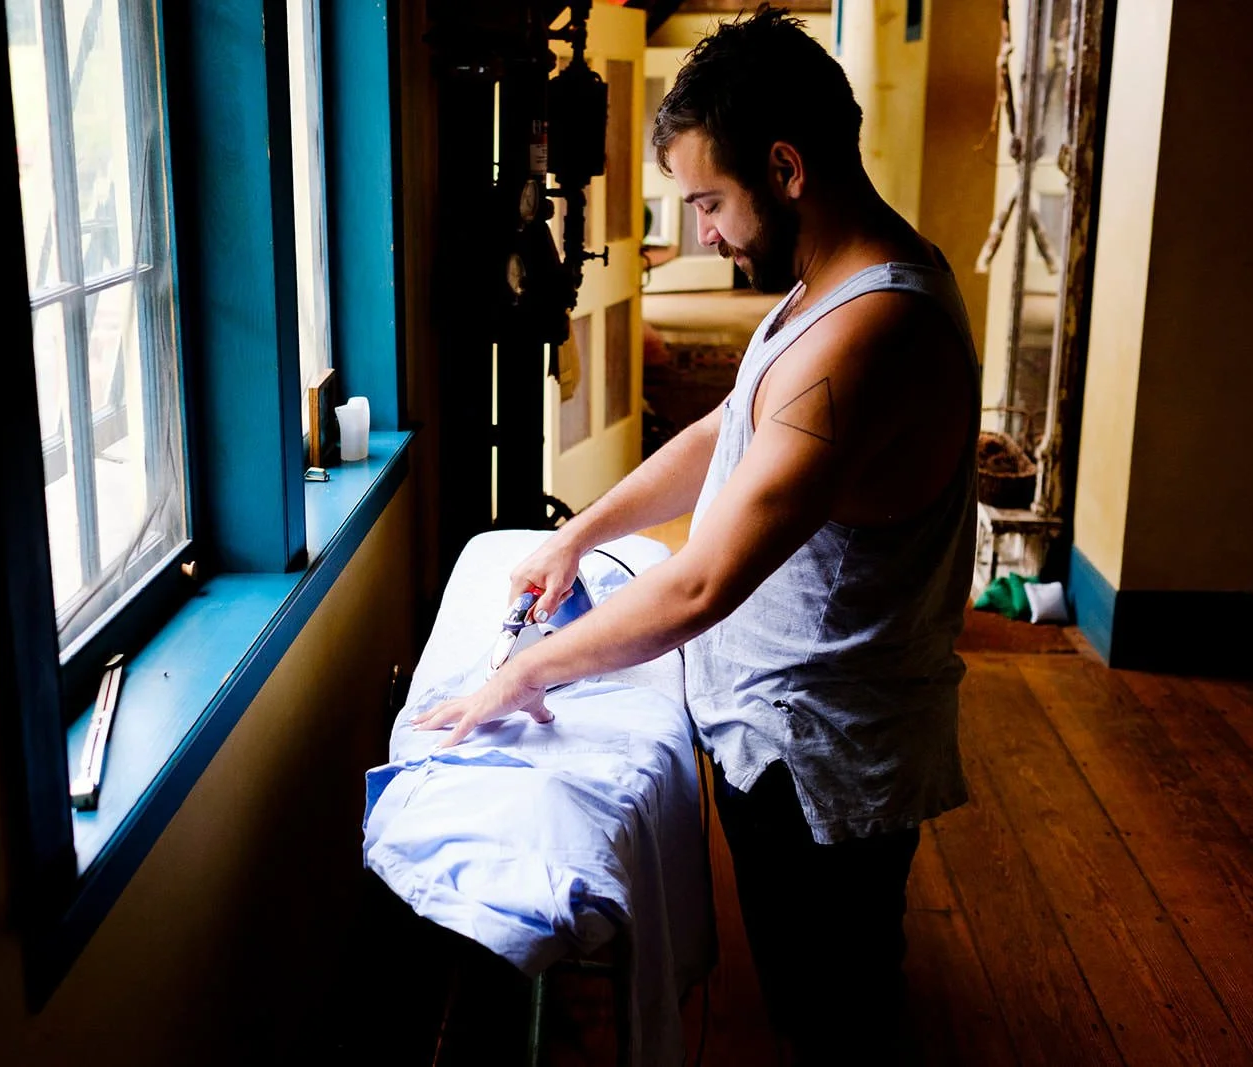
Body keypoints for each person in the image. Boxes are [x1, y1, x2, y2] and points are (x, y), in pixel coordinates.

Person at [412, 6, 978, 1062]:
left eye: (710, 201)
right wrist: (577, 533)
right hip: (785, 722)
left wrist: (521, 676)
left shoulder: (870, 329)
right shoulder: (827, 288)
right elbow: (729, 425)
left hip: (817, 749)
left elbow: (702, 581)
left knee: (833, 1010)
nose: (704, 231)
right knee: (816, 989)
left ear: (784, 165)